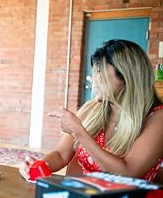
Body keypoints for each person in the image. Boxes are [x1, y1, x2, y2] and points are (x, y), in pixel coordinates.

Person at [20, 39, 163, 182]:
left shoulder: (157, 118)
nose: (93, 79)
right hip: (80, 196)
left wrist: (79, 132)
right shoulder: (92, 108)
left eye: (100, 72)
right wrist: (38, 166)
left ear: (126, 76)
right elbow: (60, 154)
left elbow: (127, 172)